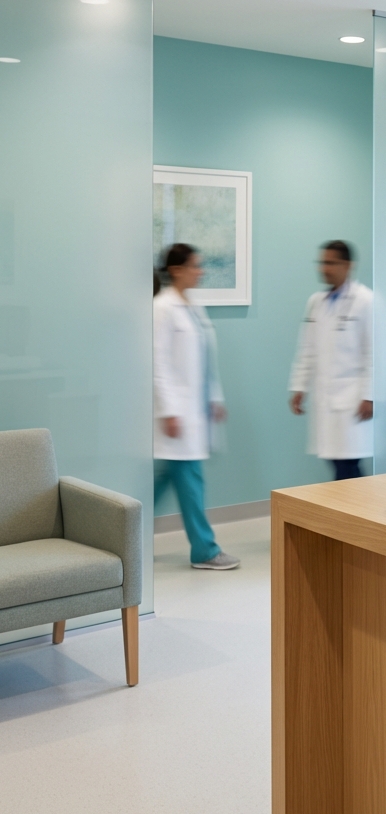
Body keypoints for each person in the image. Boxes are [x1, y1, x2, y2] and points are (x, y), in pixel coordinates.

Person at [154, 243, 240, 570]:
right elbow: (158, 363)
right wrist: (168, 410)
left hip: (193, 410)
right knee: (190, 481)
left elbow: (205, 360)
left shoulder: (192, 306)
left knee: (162, 481)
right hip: (177, 414)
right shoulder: (161, 307)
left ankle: (124, 536)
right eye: (194, 266)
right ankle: (204, 550)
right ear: (176, 270)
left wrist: (214, 397)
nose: (200, 271)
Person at [289, 240, 373, 479]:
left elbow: (374, 352)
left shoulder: (365, 301)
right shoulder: (316, 302)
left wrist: (370, 396)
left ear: (347, 265)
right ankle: (353, 513)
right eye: (322, 263)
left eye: (331, 263)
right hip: (325, 398)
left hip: (352, 399)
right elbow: (307, 348)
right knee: (338, 464)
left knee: (347, 467)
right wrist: (299, 386)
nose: (324, 268)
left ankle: (356, 514)